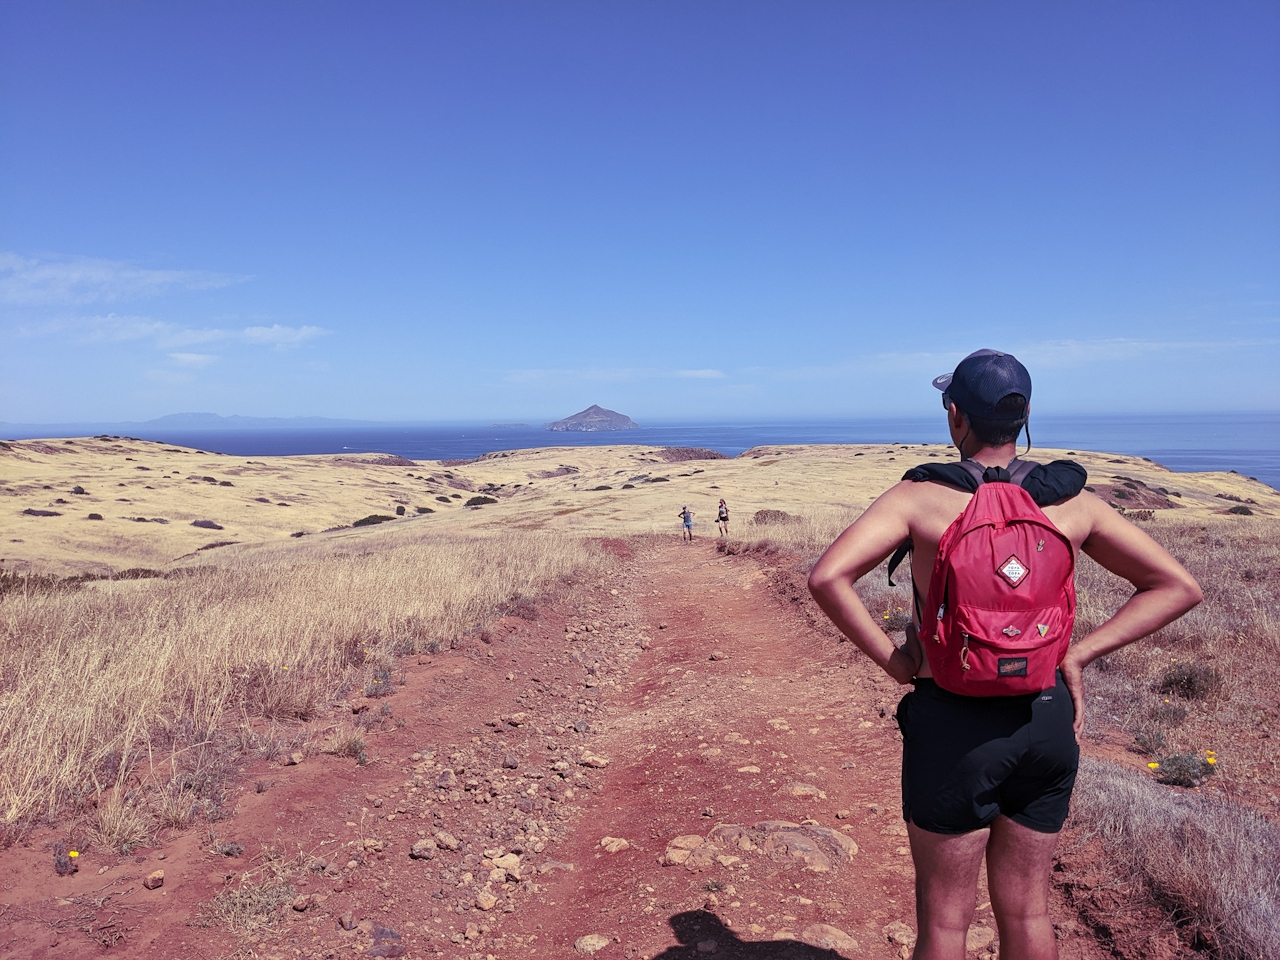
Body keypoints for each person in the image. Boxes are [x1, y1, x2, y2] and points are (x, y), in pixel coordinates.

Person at [807, 349, 1201, 960]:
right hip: (1045, 722)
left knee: (944, 925)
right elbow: (1179, 586)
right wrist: (1079, 655)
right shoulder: (1073, 502)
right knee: (1028, 910)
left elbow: (827, 577)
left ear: (955, 417)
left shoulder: (918, 500)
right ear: (1021, 420)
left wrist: (895, 661)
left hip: (954, 724)